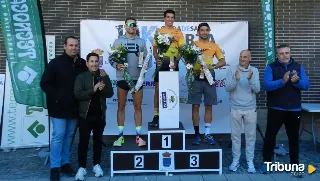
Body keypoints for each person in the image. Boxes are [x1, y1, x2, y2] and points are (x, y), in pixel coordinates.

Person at [40, 36, 106, 181]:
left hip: (75, 108)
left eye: (76, 45)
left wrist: (101, 74)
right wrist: (57, 97)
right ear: (65, 46)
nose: (74, 48)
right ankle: (55, 167)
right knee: (58, 136)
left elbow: (91, 73)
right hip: (58, 108)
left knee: (69, 136)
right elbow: (44, 83)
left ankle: (65, 163)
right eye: (71, 45)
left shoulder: (82, 63)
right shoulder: (55, 63)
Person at [260, 44, 310, 177]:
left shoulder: (298, 67)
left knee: (293, 138)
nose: (284, 55)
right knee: (270, 137)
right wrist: (282, 81)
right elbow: (266, 85)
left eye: (287, 53)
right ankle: (266, 163)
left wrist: (297, 81)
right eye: (281, 53)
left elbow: (306, 85)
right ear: (277, 55)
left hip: (294, 109)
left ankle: (295, 165)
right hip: (275, 108)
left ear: (290, 53)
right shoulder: (271, 67)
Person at [110, 17, 151, 147]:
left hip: (137, 79)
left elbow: (148, 60)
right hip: (122, 78)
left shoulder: (142, 42)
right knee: (121, 107)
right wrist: (117, 65)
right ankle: (120, 136)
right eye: (129, 24)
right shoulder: (117, 42)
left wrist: (146, 65)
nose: (132, 27)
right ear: (125, 26)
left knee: (137, 107)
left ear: (136, 27)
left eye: (134, 25)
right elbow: (111, 58)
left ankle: (138, 136)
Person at [74, 53, 113, 181]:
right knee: (83, 143)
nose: (94, 64)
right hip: (85, 116)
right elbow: (78, 95)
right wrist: (94, 89)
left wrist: (104, 83)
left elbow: (110, 93)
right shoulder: (81, 77)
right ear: (87, 63)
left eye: (96, 61)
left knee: (98, 142)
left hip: (99, 116)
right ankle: (82, 167)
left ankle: (97, 165)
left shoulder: (103, 76)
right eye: (91, 61)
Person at [187, 23, 226, 145]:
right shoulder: (193, 46)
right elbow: (187, 60)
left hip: (209, 77)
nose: (204, 32)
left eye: (206, 30)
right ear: (198, 32)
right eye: (202, 30)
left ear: (209, 32)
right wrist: (189, 65)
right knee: (195, 106)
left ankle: (207, 134)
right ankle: (196, 134)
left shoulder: (213, 45)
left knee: (209, 106)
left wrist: (212, 66)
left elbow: (223, 61)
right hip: (196, 77)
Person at [225, 50, 260, 173]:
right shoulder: (232, 70)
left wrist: (250, 79)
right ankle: (235, 160)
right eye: (240, 56)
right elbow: (227, 87)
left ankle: (250, 161)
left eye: (245, 57)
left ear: (250, 58)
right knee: (235, 136)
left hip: (250, 108)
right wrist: (236, 79)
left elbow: (257, 89)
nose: (242, 59)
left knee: (251, 136)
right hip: (235, 107)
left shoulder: (254, 71)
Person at [149, 9, 184, 127]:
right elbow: (154, 47)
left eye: (172, 17)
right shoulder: (159, 31)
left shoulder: (178, 32)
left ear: (174, 19)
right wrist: (156, 58)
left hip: (173, 62)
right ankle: (156, 115)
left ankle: (171, 114)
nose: (170, 19)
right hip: (161, 62)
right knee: (158, 89)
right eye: (168, 17)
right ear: (164, 19)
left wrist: (177, 61)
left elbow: (182, 49)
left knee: (172, 89)